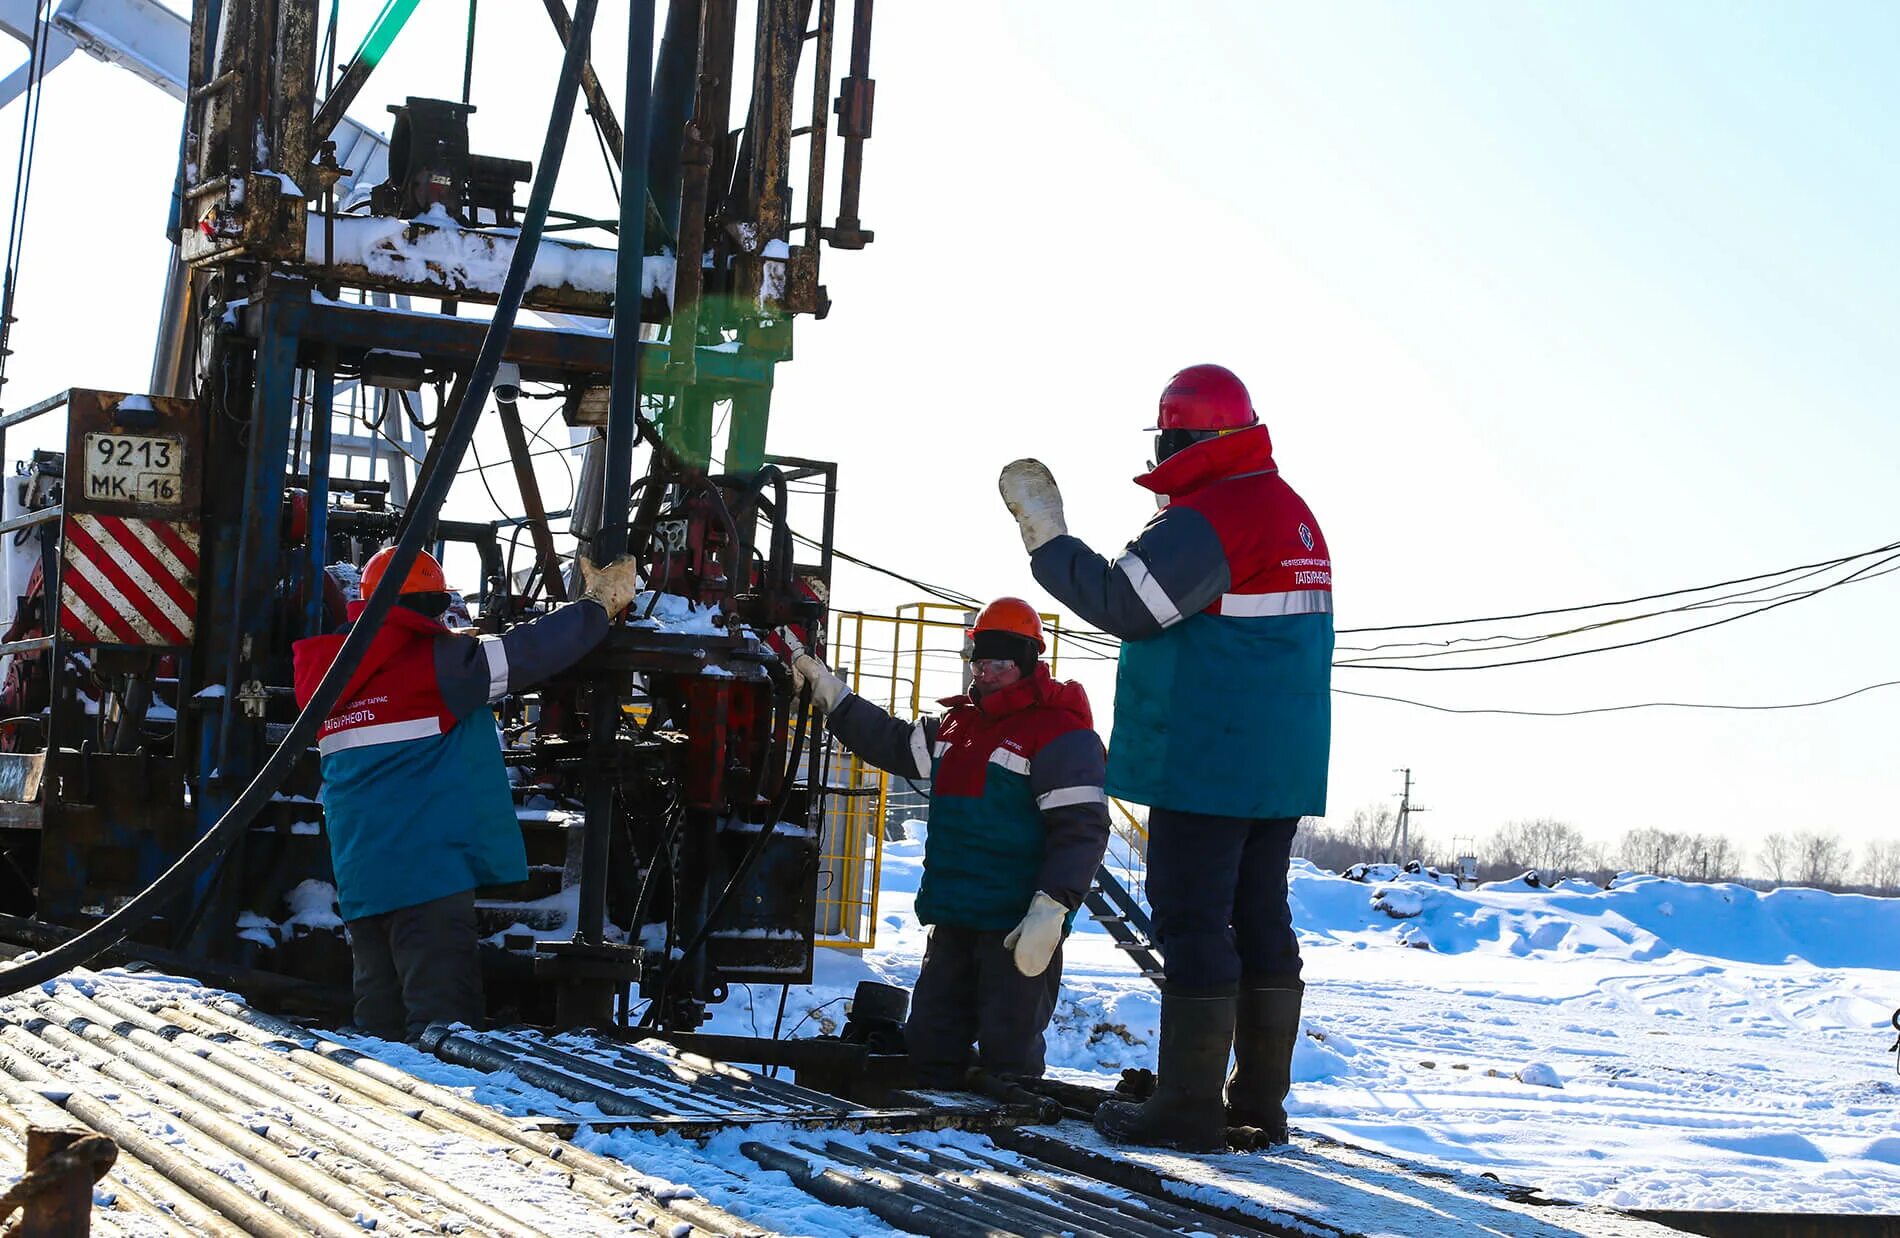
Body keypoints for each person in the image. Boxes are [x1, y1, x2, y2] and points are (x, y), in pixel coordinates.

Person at [997, 362, 1332, 1151]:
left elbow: (1125, 604)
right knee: (1259, 922)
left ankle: (1185, 1111)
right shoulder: (1289, 511)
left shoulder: (1214, 515)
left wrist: (1048, 541)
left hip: (1206, 760)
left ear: (1179, 438)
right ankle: (1256, 1104)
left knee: (1191, 923)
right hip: (1275, 766)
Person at [292, 546, 639, 1040]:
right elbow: (524, 654)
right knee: (441, 1028)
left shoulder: (336, 675)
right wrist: (595, 607)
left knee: (379, 1021)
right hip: (426, 877)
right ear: (432, 607)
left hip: (363, 878)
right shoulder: (434, 665)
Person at [782, 599, 1111, 1085]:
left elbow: (1083, 829)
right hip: (953, 916)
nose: (986, 671)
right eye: (980, 660)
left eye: (1000, 661)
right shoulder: (960, 726)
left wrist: (1053, 906)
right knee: (930, 1051)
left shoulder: (1060, 733)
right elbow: (892, 742)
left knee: (1010, 1058)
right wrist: (834, 696)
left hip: (1016, 925)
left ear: (1027, 661)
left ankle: (1012, 1149)